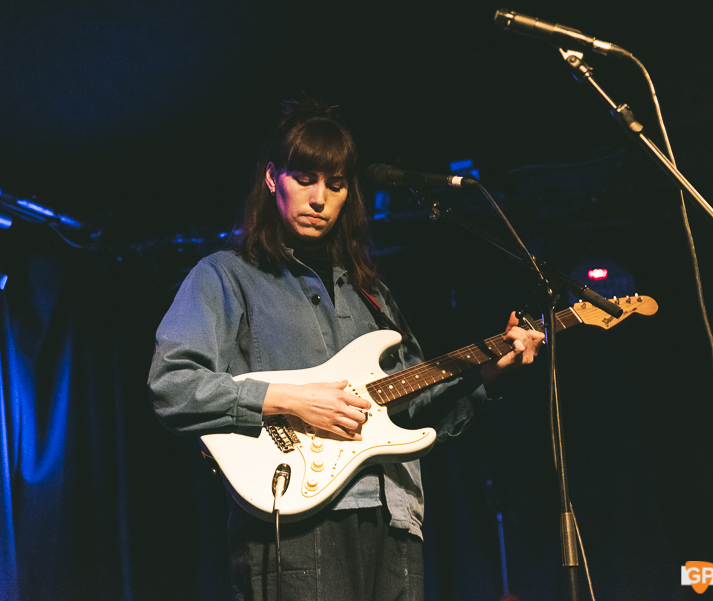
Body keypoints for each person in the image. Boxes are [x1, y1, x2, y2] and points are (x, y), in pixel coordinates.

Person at [147, 99, 545, 601]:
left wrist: (487, 373)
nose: (320, 198)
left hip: (395, 520)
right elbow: (173, 385)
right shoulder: (226, 276)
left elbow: (417, 407)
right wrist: (287, 399)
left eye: (335, 185)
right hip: (295, 526)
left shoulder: (370, 292)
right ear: (272, 179)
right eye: (306, 178)